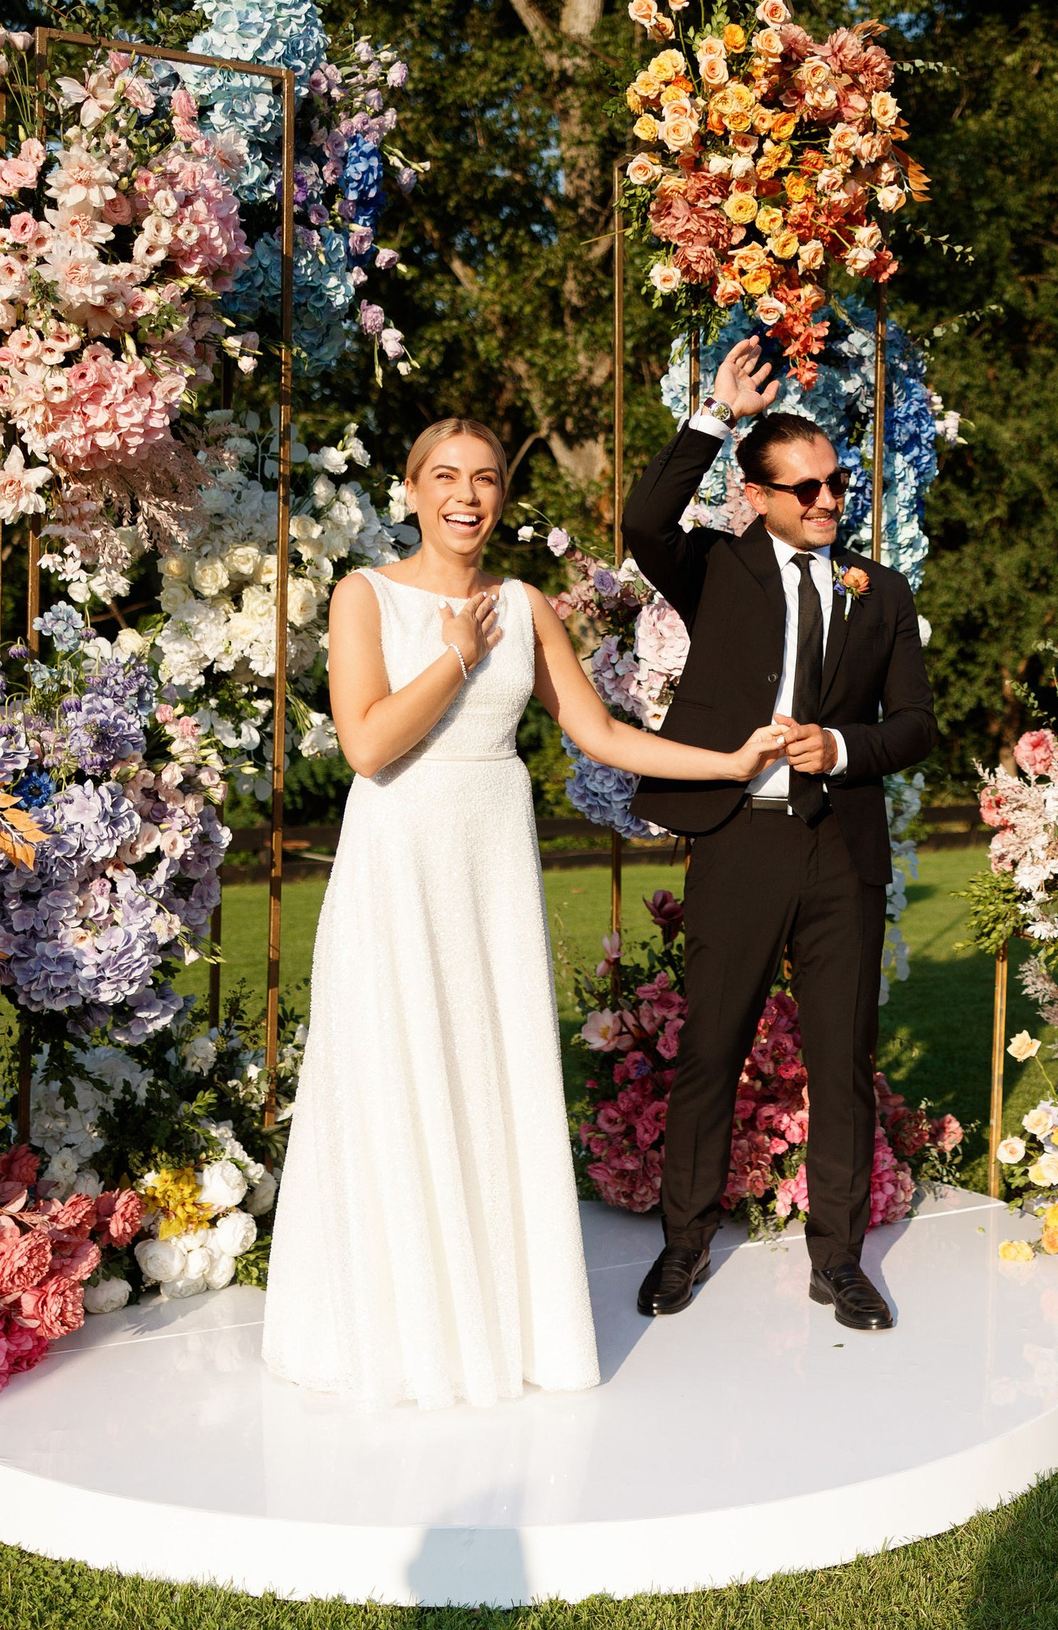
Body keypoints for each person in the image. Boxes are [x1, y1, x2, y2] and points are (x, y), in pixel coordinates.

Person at [262, 417, 786, 1408]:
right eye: (446, 475)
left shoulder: (524, 603)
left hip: (490, 863)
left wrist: (722, 761)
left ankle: (502, 1327)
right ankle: (404, 1330)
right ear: (411, 490)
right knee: (396, 1069)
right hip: (398, 863)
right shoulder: (362, 596)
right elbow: (369, 747)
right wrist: (455, 658)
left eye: (487, 478)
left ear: (502, 496)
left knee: (489, 1072)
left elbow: (598, 732)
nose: (468, 494)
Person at [621, 337, 937, 1331]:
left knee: (842, 1060)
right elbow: (641, 520)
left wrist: (838, 748)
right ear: (755, 495)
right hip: (739, 845)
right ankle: (682, 1246)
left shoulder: (879, 593)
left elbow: (917, 727)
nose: (826, 502)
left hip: (840, 853)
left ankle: (837, 1263)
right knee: (710, 1048)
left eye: (835, 485)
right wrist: (710, 418)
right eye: (802, 490)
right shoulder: (714, 568)